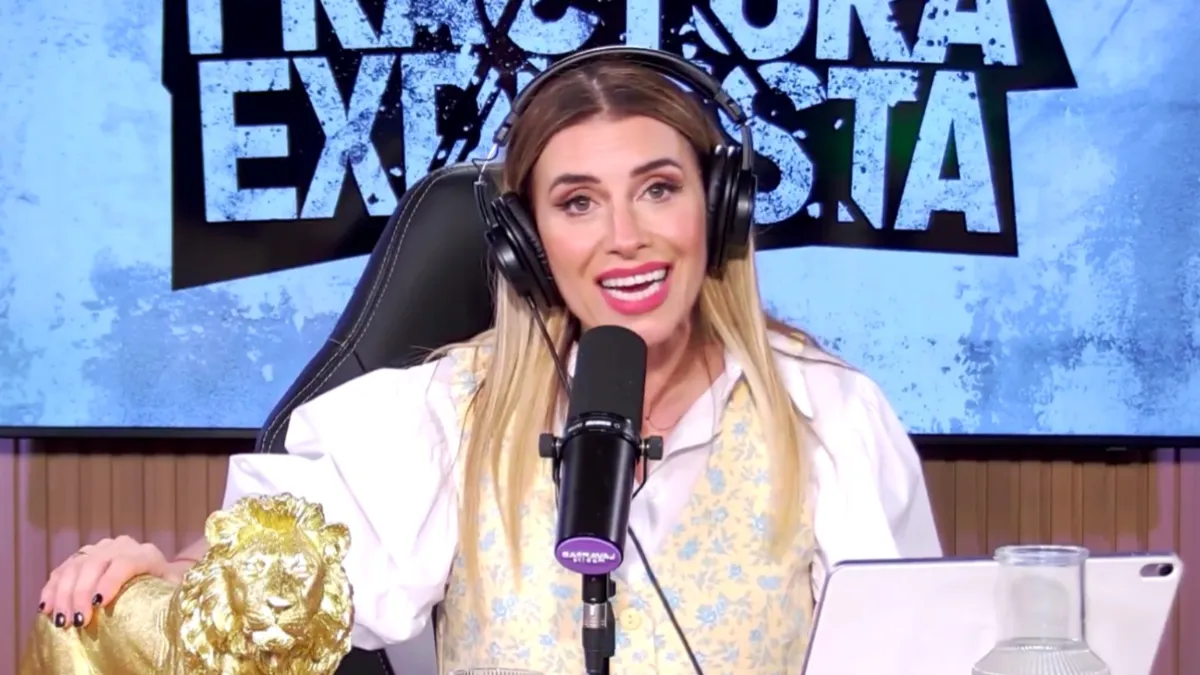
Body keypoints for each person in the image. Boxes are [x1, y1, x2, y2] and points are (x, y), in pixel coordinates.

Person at [38, 48, 941, 673]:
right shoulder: (446, 414)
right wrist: (162, 569)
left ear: (721, 205)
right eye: (578, 202)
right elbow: (287, 558)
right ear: (525, 242)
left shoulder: (830, 417)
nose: (625, 237)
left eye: (659, 189)